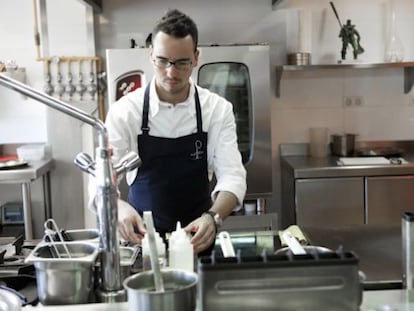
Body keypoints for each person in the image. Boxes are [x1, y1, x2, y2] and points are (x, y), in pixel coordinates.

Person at [90, 9, 246, 255]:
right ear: (151, 55)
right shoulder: (124, 111)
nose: (171, 72)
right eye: (163, 61)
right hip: (140, 242)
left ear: (196, 58)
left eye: (182, 62)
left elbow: (233, 176)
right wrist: (118, 208)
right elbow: (101, 182)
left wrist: (213, 218)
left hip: (197, 241)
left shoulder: (217, 109)